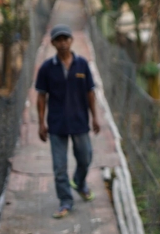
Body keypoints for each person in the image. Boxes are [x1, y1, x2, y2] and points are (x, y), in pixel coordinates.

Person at [35, 24, 100, 218]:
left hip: (80, 120)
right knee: (59, 166)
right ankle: (65, 200)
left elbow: (90, 92)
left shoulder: (82, 64)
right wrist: (41, 123)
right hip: (56, 123)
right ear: (53, 43)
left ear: (71, 40)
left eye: (65, 39)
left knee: (86, 157)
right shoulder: (47, 68)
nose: (62, 43)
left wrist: (95, 116)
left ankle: (79, 182)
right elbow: (41, 96)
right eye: (58, 40)